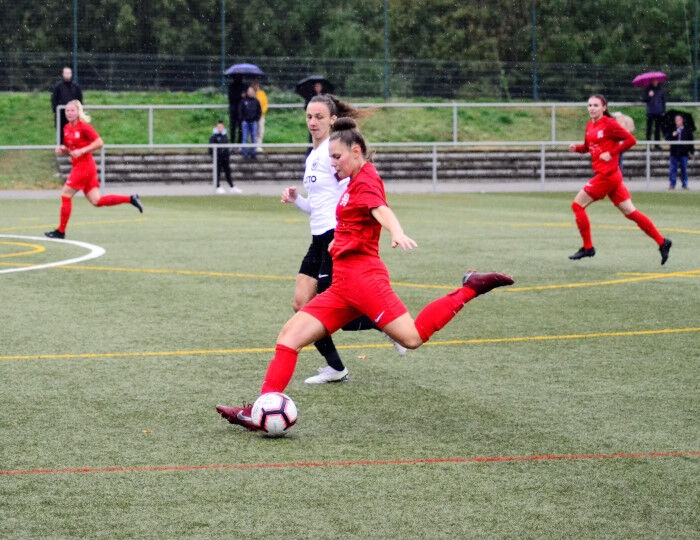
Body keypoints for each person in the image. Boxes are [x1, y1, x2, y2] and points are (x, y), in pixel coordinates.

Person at [216, 117, 514, 431]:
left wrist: (396, 231)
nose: (333, 163)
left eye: (337, 157)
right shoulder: (351, 181)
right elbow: (354, 219)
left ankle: (470, 288)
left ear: (356, 152)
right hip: (342, 285)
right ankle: (259, 410)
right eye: (330, 157)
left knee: (412, 338)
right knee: (289, 338)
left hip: (364, 281)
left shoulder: (367, 179)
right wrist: (339, 242)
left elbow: (380, 209)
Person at [280, 94, 406, 385]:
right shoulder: (313, 156)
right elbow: (316, 206)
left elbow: (357, 189)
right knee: (301, 304)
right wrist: (296, 199)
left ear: (333, 120)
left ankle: (387, 325)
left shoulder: (334, 153)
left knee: (328, 307)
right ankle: (336, 368)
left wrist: (378, 226)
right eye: (309, 117)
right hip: (318, 238)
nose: (313, 122)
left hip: (336, 236)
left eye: (319, 117)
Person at [568, 94, 672, 265]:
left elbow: (631, 140)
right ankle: (662, 242)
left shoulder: (609, 124)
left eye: (595, 105)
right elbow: (588, 147)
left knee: (577, 205)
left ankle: (588, 247)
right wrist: (577, 149)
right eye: (589, 105)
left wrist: (612, 153)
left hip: (607, 176)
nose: (591, 108)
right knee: (631, 213)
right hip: (612, 176)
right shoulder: (590, 125)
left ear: (604, 108)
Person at [45, 100, 143, 239]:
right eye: (67, 110)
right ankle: (131, 199)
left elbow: (99, 142)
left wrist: (82, 151)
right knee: (96, 201)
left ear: (78, 112)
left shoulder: (84, 127)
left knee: (66, 194)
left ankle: (60, 231)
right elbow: (71, 149)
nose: (69, 113)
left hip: (84, 167)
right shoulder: (66, 128)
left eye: (72, 110)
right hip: (83, 167)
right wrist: (63, 150)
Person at [51, 67, 83, 144]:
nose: (67, 75)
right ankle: (62, 146)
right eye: (66, 73)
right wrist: (56, 111)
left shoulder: (76, 87)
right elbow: (54, 99)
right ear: (63, 74)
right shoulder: (58, 87)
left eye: (69, 73)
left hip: (74, 115)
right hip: (61, 114)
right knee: (61, 132)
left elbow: (79, 100)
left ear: (71, 74)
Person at [209, 120, 242, 194]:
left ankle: (232, 187)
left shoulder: (225, 136)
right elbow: (210, 149)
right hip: (218, 158)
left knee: (228, 172)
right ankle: (217, 187)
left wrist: (227, 155)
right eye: (218, 127)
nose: (220, 128)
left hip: (225, 158)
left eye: (221, 127)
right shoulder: (213, 137)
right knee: (217, 172)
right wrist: (214, 156)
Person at [666, 114, 693, 190]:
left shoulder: (687, 130)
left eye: (678, 120)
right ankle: (672, 184)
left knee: (684, 169)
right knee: (673, 169)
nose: (677, 122)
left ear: (682, 121)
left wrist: (691, 152)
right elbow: (667, 138)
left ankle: (685, 184)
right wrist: (672, 135)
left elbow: (691, 142)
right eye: (676, 120)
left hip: (684, 153)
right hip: (674, 152)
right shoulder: (672, 129)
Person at [237, 86, 262, 159]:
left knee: (253, 138)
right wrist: (242, 120)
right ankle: (245, 154)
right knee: (244, 138)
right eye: (249, 91)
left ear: (254, 92)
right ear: (247, 92)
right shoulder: (243, 101)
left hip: (253, 122)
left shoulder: (256, 101)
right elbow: (240, 111)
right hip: (245, 123)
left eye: (252, 91)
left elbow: (259, 111)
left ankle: (253, 153)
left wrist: (256, 119)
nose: (250, 93)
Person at [642, 79, 666, 148]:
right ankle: (648, 145)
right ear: (651, 81)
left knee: (657, 129)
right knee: (649, 129)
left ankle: (657, 145)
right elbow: (644, 99)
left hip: (659, 112)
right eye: (653, 80)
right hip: (650, 112)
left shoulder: (661, 90)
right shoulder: (647, 89)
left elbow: (663, 101)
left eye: (656, 80)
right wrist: (649, 96)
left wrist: (663, 111)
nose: (655, 82)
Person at [252, 81, 268, 153]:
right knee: (254, 131)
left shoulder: (262, 93)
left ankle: (259, 145)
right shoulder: (251, 93)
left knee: (260, 131)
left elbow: (265, 104)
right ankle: (254, 146)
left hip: (261, 116)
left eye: (257, 85)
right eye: (255, 85)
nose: (256, 87)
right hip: (253, 116)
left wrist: (262, 112)